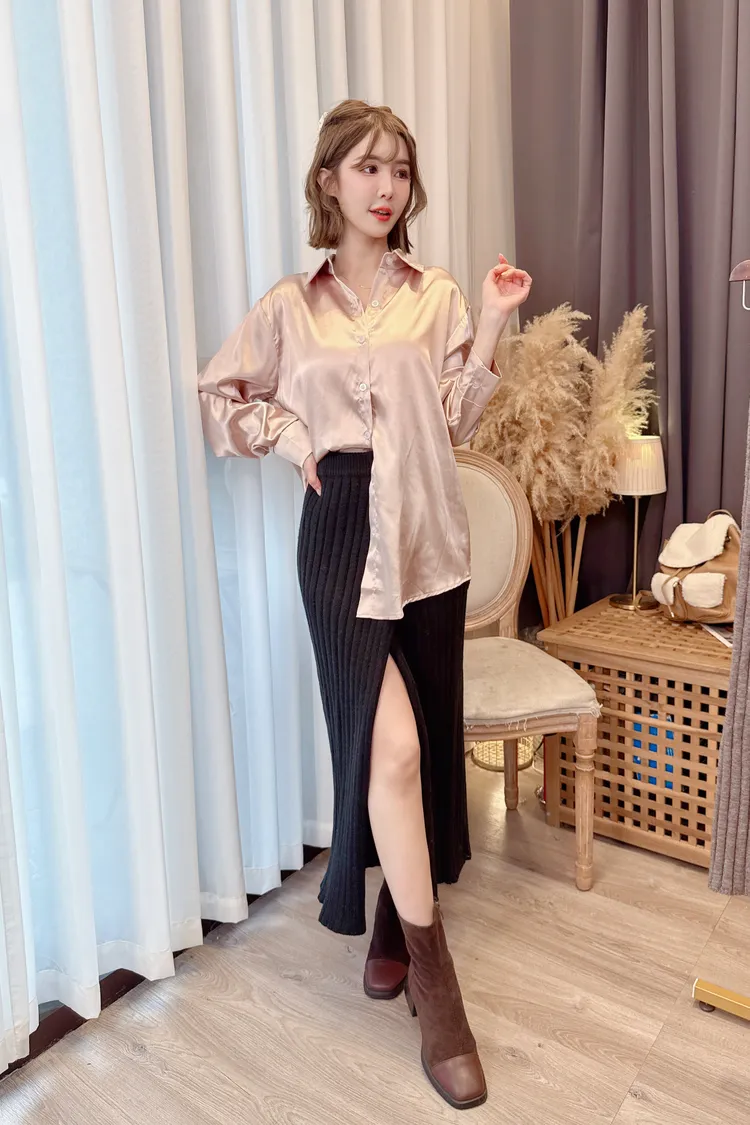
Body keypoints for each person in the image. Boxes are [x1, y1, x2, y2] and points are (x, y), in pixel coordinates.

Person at [198, 99, 531, 1111]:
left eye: (399, 170)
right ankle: (439, 991)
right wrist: (288, 434)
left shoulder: (437, 297)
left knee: (420, 744)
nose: (385, 187)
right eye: (366, 168)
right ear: (329, 180)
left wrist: (493, 324)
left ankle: (397, 914)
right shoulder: (289, 306)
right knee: (386, 747)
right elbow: (218, 395)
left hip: (429, 536)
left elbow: (455, 420)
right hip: (341, 530)